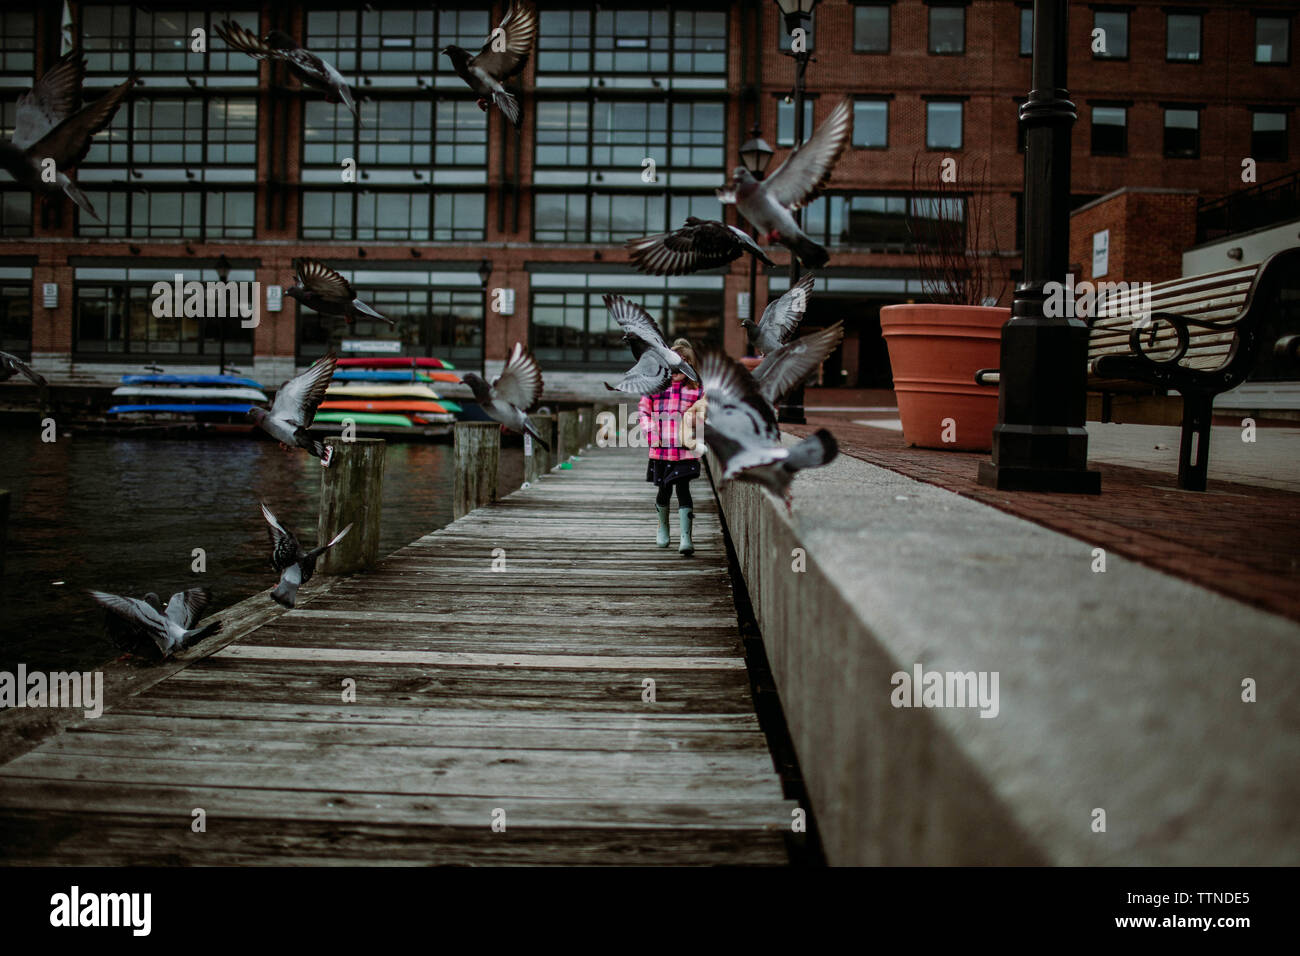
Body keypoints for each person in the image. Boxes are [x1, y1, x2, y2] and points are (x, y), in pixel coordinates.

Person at [639, 338, 705, 556]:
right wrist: (651, 432)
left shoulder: (696, 391)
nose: (676, 367)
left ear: (690, 366)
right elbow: (644, 412)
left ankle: (686, 537)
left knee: (684, 490)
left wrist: (696, 421)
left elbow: (704, 414)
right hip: (661, 449)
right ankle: (663, 527)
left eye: (683, 362)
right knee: (664, 491)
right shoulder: (655, 388)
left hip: (685, 450)